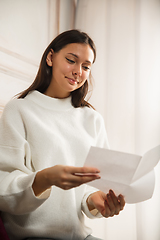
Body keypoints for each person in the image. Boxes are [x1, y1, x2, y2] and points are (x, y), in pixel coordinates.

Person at [0, 29, 125, 240]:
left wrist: (95, 200)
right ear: (50, 57)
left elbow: (90, 189)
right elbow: (4, 187)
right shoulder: (18, 110)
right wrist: (46, 178)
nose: (78, 71)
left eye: (86, 66)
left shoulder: (92, 119)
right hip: (33, 236)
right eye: (71, 60)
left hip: (79, 235)